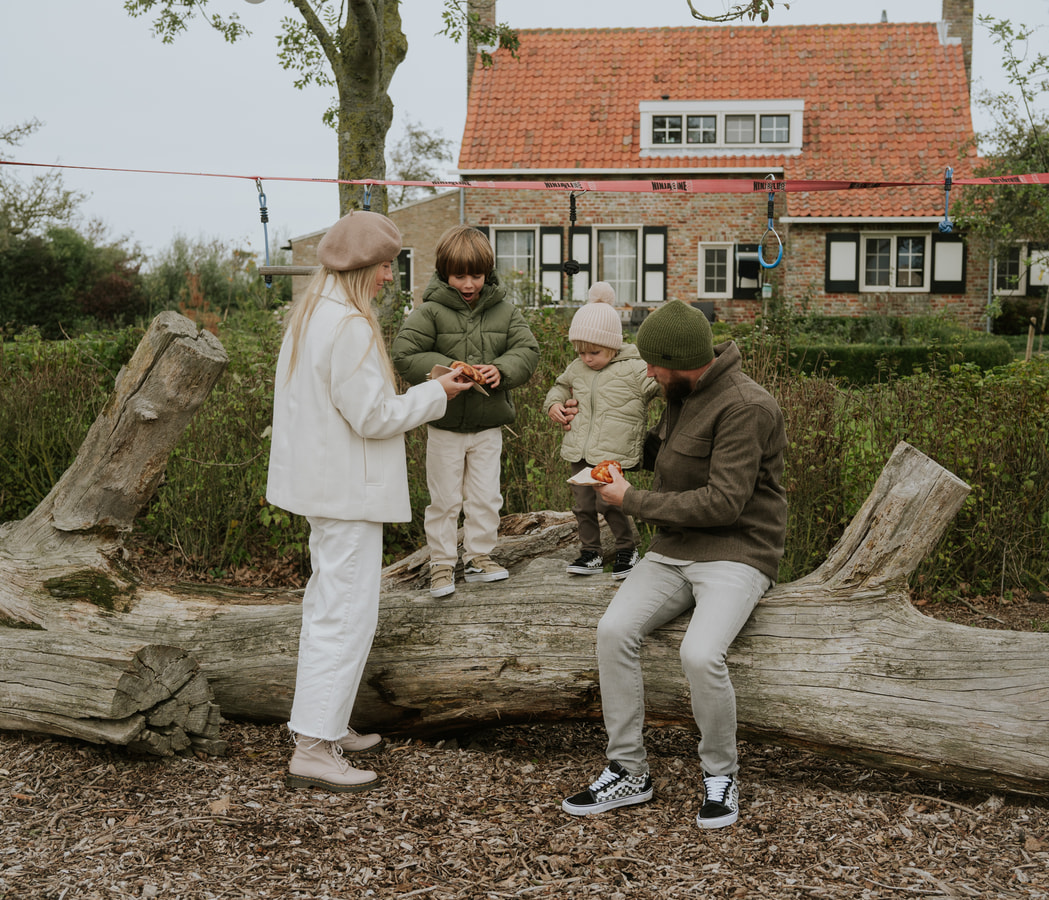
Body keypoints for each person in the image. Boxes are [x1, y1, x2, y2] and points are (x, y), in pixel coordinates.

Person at [266, 209, 474, 792]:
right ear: (363, 267)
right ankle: (312, 747)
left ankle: (326, 726)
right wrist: (436, 393)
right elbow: (375, 417)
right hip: (348, 493)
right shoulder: (350, 326)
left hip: (323, 487)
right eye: (386, 266)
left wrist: (425, 384)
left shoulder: (311, 315)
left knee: (327, 606)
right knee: (344, 615)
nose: (389, 276)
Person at [561, 299, 787, 829]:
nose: (649, 373)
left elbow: (723, 504)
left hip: (738, 550)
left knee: (700, 653)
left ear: (683, 360)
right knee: (613, 631)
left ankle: (720, 775)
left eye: (654, 365)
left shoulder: (746, 407)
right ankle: (628, 771)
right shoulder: (679, 391)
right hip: (673, 549)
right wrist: (599, 445)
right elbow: (666, 461)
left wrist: (628, 500)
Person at [391, 225, 540, 599]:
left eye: (476, 274)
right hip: (444, 426)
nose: (469, 283)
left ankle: (479, 557)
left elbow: (527, 351)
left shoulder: (505, 311)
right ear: (444, 274)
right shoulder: (430, 311)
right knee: (444, 499)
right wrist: (446, 367)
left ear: (487, 272)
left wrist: (501, 369)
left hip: (489, 427)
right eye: (460, 275)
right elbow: (404, 354)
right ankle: (441, 563)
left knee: (486, 497)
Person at [543, 282, 661, 579]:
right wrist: (554, 404)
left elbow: (662, 383)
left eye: (593, 352)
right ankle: (591, 553)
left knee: (609, 502)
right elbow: (559, 386)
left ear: (612, 345)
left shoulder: (635, 368)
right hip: (579, 449)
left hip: (613, 452)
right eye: (580, 352)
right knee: (582, 506)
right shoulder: (577, 368)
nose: (586, 358)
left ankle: (628, 548)